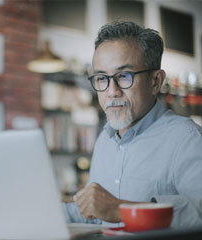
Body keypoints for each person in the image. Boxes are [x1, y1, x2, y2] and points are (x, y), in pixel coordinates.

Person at [63, 21, 202, 228]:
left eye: (124, 76)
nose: (111, 91)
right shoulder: (104, 140)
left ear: (155, 81)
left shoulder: (187, 139)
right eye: (102, 78)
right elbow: (93, 214)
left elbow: (198, 212)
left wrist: (120, 210)